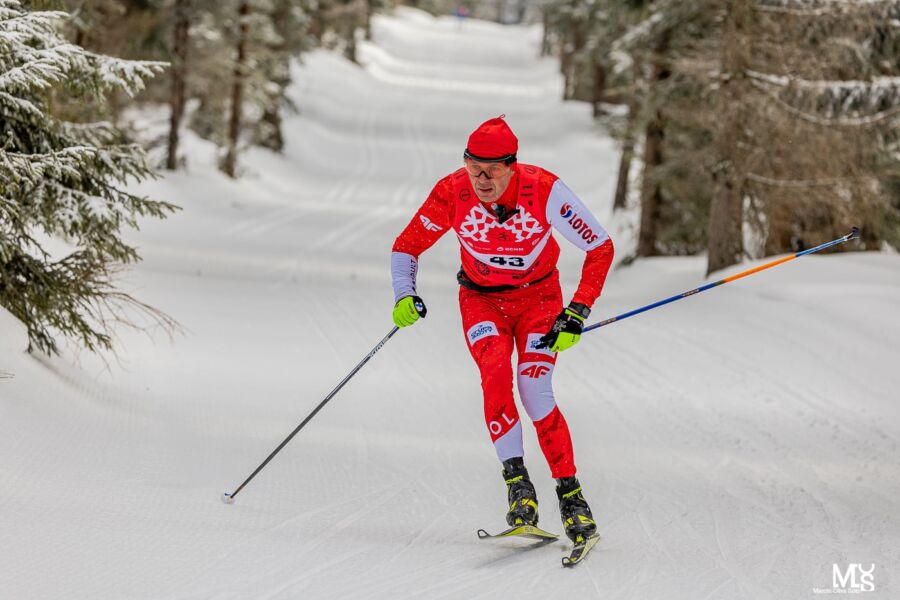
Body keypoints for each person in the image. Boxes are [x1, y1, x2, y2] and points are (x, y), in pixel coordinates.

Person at [389, 116, 614, 543]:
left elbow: (599, 247)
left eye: (492, 170)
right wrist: (404, 294)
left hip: (539, 300)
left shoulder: (544, 190)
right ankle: (519, 488)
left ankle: (572, 496)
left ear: (513, 165)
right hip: (481, 299)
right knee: (494, 373)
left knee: (534, 389)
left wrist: (578, 311)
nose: (482, 180)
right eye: (474, 168)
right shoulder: (452, 191)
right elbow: (407, 246)